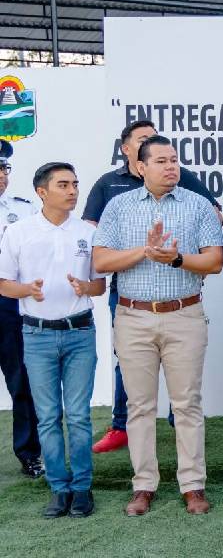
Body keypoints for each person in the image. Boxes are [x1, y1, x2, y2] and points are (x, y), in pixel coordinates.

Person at [93, 135, 223, 516]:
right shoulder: (118, 207)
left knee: (187, 404)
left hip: (184, 315)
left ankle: (193, 485)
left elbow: (215, 262)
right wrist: (145, 253)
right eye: (162, 161)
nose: (171, 167)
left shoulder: (197, 204)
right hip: (133, 317)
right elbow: (101, 261)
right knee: (139, 406)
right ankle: (143, 485)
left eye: (174, 160)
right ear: (140, 167)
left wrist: (177, 259)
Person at [0, 162, 105, 518]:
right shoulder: (19, 232)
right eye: (64, 185)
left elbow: (99, 286)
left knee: (77, 416)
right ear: (42, 192)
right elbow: (3, 284)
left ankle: (82, 488)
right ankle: (58, 489)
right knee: (47, 416)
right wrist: (27, 290)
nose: (73, 190)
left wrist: (85, 287)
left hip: (80, 333)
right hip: (37, 336)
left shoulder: (88, 232)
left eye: (75, 183)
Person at [0, 143, 43, 479]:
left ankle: (30, 453)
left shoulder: (24, 210)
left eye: (4, 169)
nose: (2, 176)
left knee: (22, 380)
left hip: (10, 303)